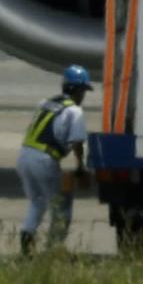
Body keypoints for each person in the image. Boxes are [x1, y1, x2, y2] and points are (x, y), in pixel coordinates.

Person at [17, 66, 90, 256]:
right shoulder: (74, 112)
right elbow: (77, 142)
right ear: (76, 90)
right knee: (62, 206)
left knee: (37, 202)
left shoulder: (46, 103)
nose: (84, 96)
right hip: (44, 159)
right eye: (83, 90)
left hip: (25, 155)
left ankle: (26, 243)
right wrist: (81, 167)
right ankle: (53, 251)